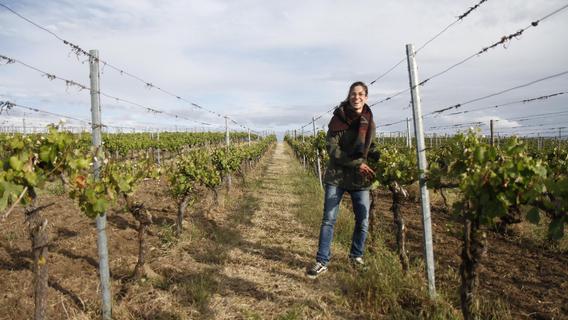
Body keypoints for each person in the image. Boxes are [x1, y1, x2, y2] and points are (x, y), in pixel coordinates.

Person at [307, 81, 378, 279]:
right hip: (337, 176)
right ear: (349, 96)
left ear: (366, 97)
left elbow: (370, 147)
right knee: (329, 219)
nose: (357, 97)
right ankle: (322, 261)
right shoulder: (338, 119)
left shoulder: (369, 120)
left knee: (363, 220)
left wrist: (381, 160)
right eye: (353, 94)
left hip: (359, 179)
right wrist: (356, 163)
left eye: (361, 94)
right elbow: (332, 149)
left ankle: (356, 256)